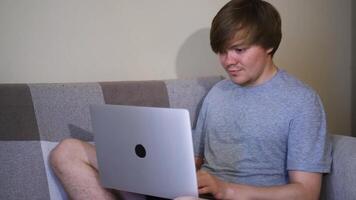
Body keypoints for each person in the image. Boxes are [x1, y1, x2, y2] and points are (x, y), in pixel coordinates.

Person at [49, 0, 332, 199]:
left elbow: (306, 192)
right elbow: (193, 160)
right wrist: (148, 164)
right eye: (222, 51)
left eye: (238, 50)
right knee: (67, 152)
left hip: (239, 196)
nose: (227, 61)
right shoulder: (219, 93)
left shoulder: (301, 101)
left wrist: (226, 190)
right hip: (194, 191)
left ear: (270, 44)